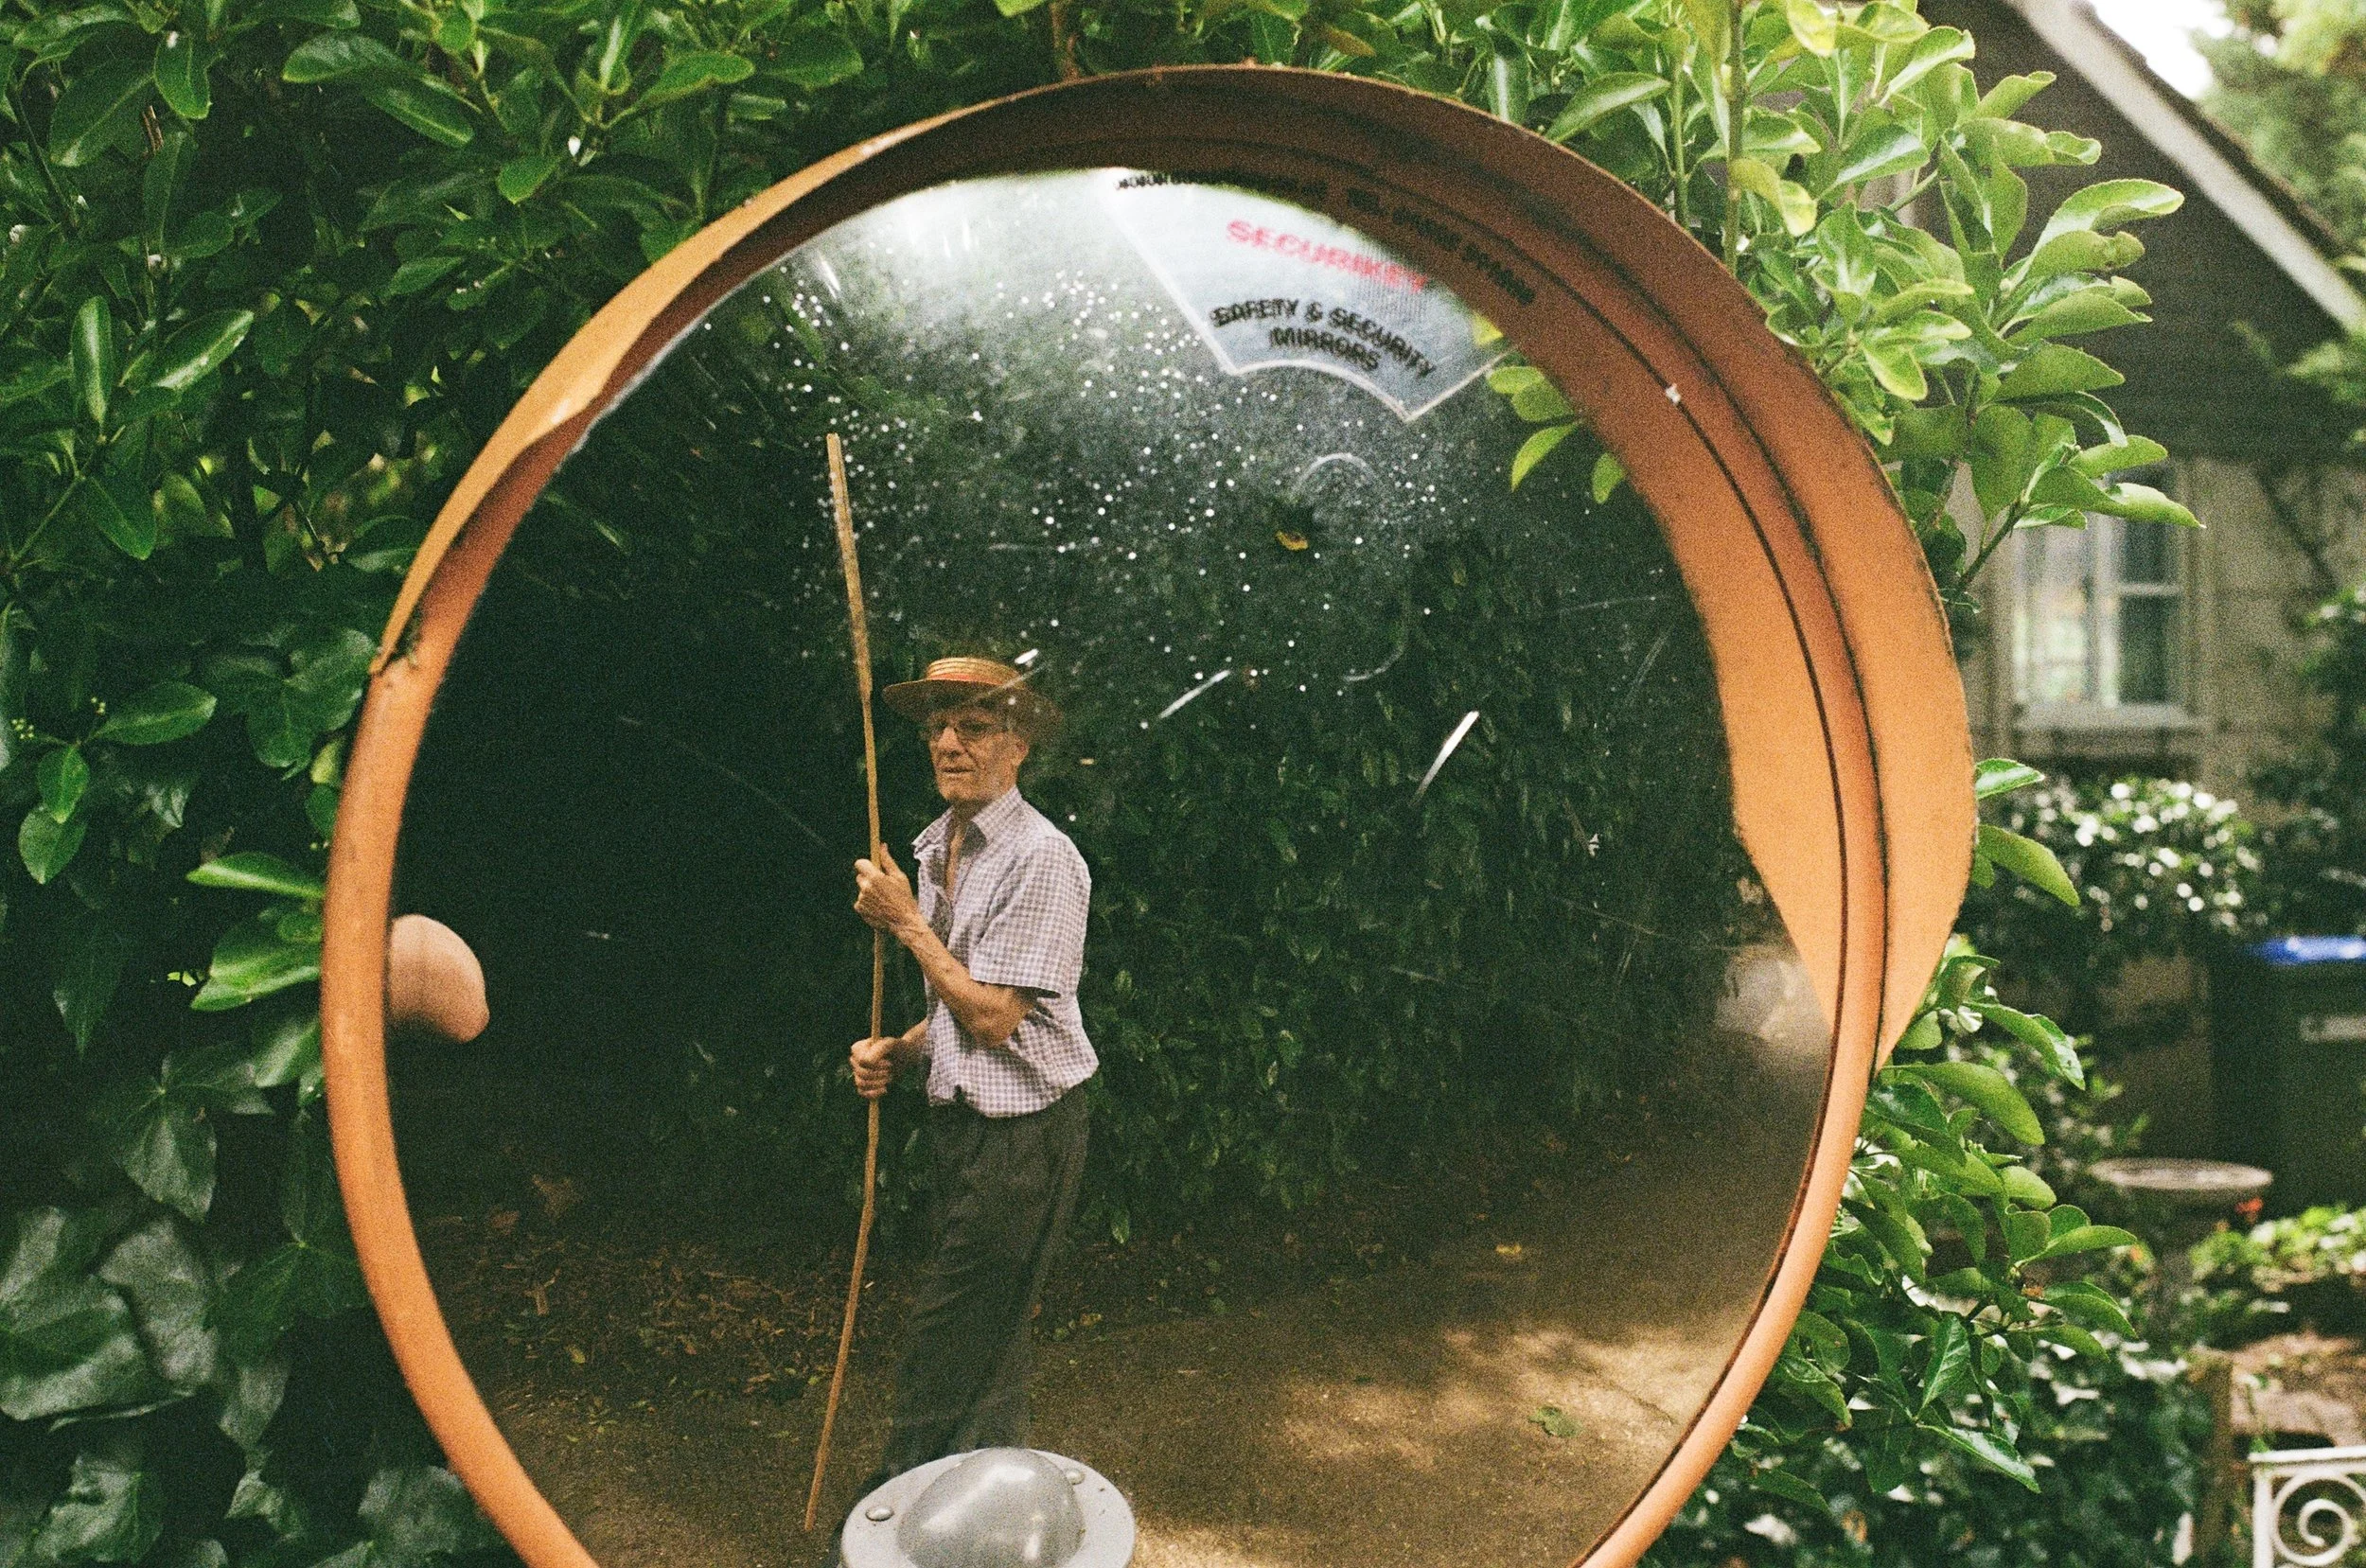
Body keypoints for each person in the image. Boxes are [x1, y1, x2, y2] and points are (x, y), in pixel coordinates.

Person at [847, 655, 1096, 1482]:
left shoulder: (1041, 858)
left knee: (943, 1349)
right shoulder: (940, 848)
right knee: (986, 1350)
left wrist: (908, 925)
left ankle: (884, 1519)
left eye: (975, 726)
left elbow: (993, 1017)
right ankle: (984, 1521)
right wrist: (898, 1048)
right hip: (963, 1133)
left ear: (1017, 745)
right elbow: (958, 1011)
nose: (949, 743)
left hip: (1027, 1141)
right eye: (937, 728)